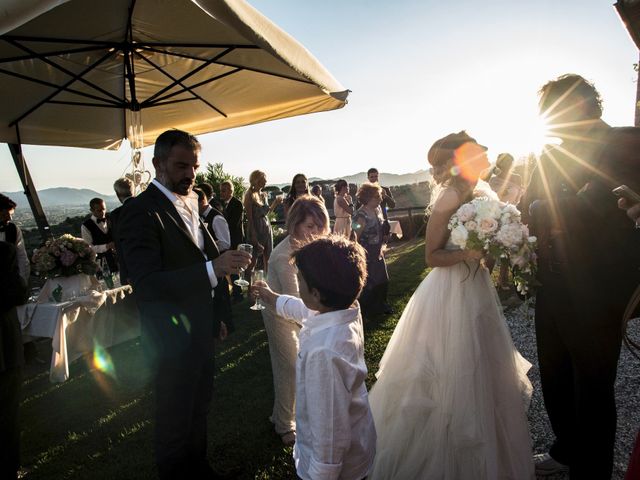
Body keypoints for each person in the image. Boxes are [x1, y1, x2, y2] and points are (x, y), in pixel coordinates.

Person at [368, 131, 534, 479]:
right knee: (450, 370)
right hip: (450, 293)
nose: (486, 156)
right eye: (480, 152)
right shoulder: (450, 196)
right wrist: (468, 253)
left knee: (484, 369)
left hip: (477, 288)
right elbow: (431, 256)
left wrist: (499, 245)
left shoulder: (482, 192)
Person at [522, 74, 640, 478]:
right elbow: (531, 206)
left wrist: (544, 205)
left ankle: (591, 471)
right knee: (554, 378)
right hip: (551, 283)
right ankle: (567, 450)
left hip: (597, 289)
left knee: (591, 388)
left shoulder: (624, 142)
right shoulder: (550, 154)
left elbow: (591, 208)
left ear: (583, 106)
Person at [117, 129, 251, 479]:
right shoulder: (139, 212)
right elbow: (147, 284)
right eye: (181, 166)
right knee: (174, 420)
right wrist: (213, 268)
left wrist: (219, 311)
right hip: (168, 339)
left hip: (201, 329)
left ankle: (199, 469)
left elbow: (206, 260)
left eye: (194, 166)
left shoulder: (192, 203)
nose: (190, 174)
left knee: (199, 408)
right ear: (158, 164)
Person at [254, 236, 376, 480]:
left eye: (299, 278)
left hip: (335, 469)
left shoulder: (324, 354)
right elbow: (303, 310)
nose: (296, 282)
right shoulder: (347, 308)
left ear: (317, 293)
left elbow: (329, 428)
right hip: (359, 445)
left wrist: (321, 474)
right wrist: (271, 297)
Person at [260, 195, 330, 446]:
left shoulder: (310, 246)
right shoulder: (283, 256)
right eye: (310, 226)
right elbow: (293, 300)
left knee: (299, 366)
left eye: (320, 226)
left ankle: (289, 415)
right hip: (278, 311)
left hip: (303, 310)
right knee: (288, 366)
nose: (316, 232)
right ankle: (283, 423)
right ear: (293, 226)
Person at [0, 242, 28, 480]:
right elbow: (19, 293)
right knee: (7, 408)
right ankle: (10, 466)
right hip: (3, 343)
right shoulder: (3, 252)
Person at [352, 183, 391, 316]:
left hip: (378, 251)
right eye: (377, 196)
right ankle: (370, 309)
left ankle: (382, 304)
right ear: (368, 197)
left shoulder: (377, 209)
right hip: (366, 252)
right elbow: (354, 235)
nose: (380, 198)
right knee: (369, 282)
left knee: (383, 279)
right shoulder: (360, 215)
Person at [488, 153, 523, 291]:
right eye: (506, 163)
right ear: (500, 164)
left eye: (510, 162)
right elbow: (491, 199)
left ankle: (503, 280)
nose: (508, 165)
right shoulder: (493, 181)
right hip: (497, 216)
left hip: (513, 215)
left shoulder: (517, 178)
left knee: (508, 249)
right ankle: (483, 280)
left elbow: (521, 195)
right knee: (493, 249)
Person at [244, 170, 282, 273]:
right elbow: (250, 219)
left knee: (268, 259)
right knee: (252, 261)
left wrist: (276, 203)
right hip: (256, 229)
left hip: (266, 228)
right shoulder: (249, 195)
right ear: (257, 180)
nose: (266, 182)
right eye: (264, 179)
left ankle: (268, 284)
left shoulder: (263, 195)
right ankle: (248, 287)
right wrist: (254, 238)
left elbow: (267, 212)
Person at [220, 180, 245, 301]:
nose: (221, 193)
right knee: (231, 266)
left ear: (231, 191)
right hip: (228, 240)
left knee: (235, 267)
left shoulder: (237, 204)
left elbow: (233, 223)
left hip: (235, 240)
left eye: (224, 190)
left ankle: (238, 294)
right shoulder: (223, 204)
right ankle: (236, 292)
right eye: (221, 191)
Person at [81, 197, 118, 274]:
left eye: (104, 209)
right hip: (103, 264)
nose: (103, 213)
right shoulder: (86, 226)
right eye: (99, 210)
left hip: (119, 259)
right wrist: (107, 246)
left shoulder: (111, 218)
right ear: (91, 210)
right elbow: (89, 248)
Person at [110, 177, 135, 284]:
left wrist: (126, 274)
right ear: (133, 191)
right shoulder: (148, 205)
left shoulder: (117, 214)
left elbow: (119, 245)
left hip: (133, 268)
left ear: (117, 194)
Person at [0, 193, 30, 282]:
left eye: (10, 214)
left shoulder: (13, 229)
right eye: (5, 214)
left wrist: (22, 281)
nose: (10, 218)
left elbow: (22, 257)